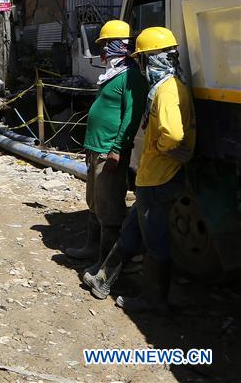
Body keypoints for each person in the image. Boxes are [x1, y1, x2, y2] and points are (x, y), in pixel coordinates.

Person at [84, 27, 196, 313]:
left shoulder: (168, 90)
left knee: (154, 238)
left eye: (145, 59)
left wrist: (159, 147)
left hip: (159, 176)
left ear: (155, 59)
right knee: (132, 230)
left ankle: (154, 300)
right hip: (154, 176)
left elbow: (171, 135)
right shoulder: (169, 86)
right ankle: (103, 279)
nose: (143, 65)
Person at [65, 20, 147, 275]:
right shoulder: (112, 74)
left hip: (109, 150)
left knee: (109, 206)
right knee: (94, 200)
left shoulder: (131, 76)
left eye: (104, 45)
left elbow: (131, 117)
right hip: (95, 147)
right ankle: (93, 248)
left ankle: (110, 262)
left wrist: (117, 149)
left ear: (118, 46)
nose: (101, 52)